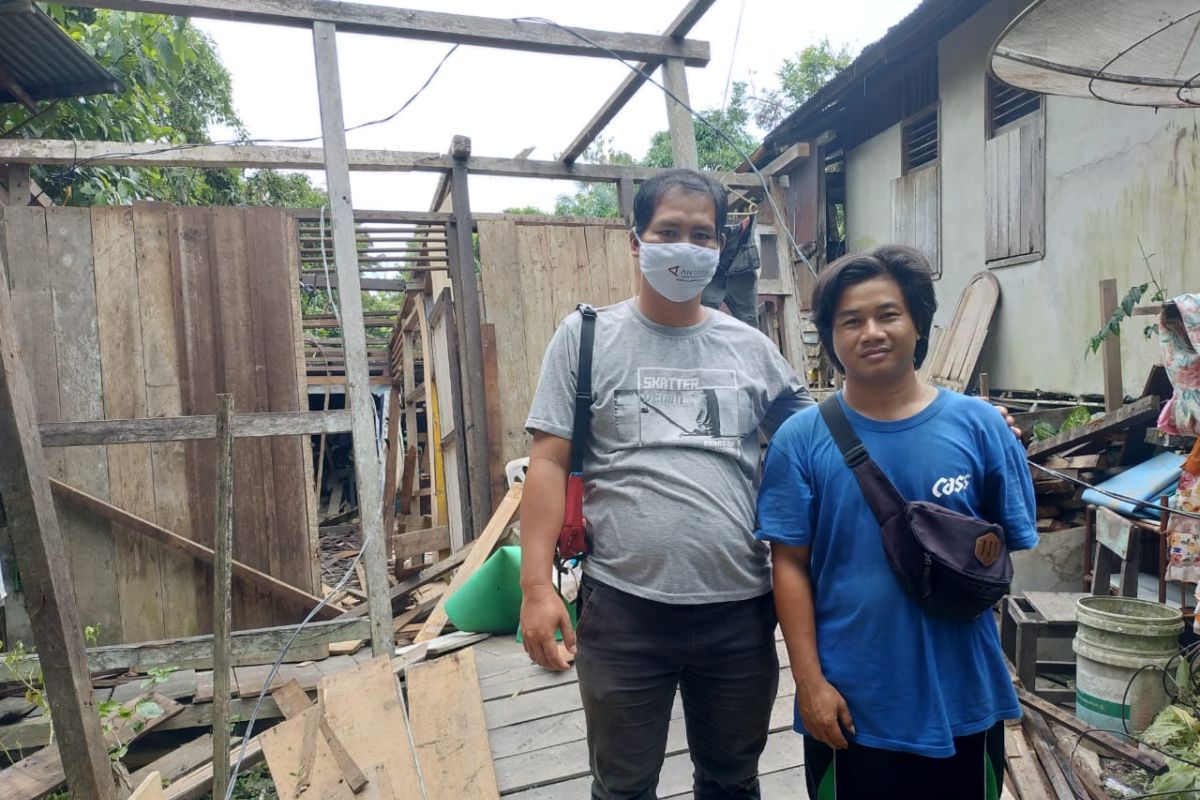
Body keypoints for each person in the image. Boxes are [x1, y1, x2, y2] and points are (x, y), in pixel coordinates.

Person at [519, 168, 813, 799]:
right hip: (623, 611)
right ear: (637, 241)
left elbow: (817, 441)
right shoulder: (587, 337)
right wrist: (536, 587)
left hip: (738, 609)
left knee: (732, 781)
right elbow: (547, 462)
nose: (686, 246)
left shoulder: (751, 348)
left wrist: (927, 413)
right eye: (669, 231)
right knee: (623, 786)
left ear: (719, 248)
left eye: (702, 235)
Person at [755, 245, 1039, 800]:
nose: (871, 332)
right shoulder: (800, 440)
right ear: (831, 337)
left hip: (963, 694)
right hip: (852, 703)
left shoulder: (980, 426)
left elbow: (1004, 549)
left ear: (917, 324)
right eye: (851, 320)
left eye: (888, 314)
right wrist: (809, 684)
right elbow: (788, 565)